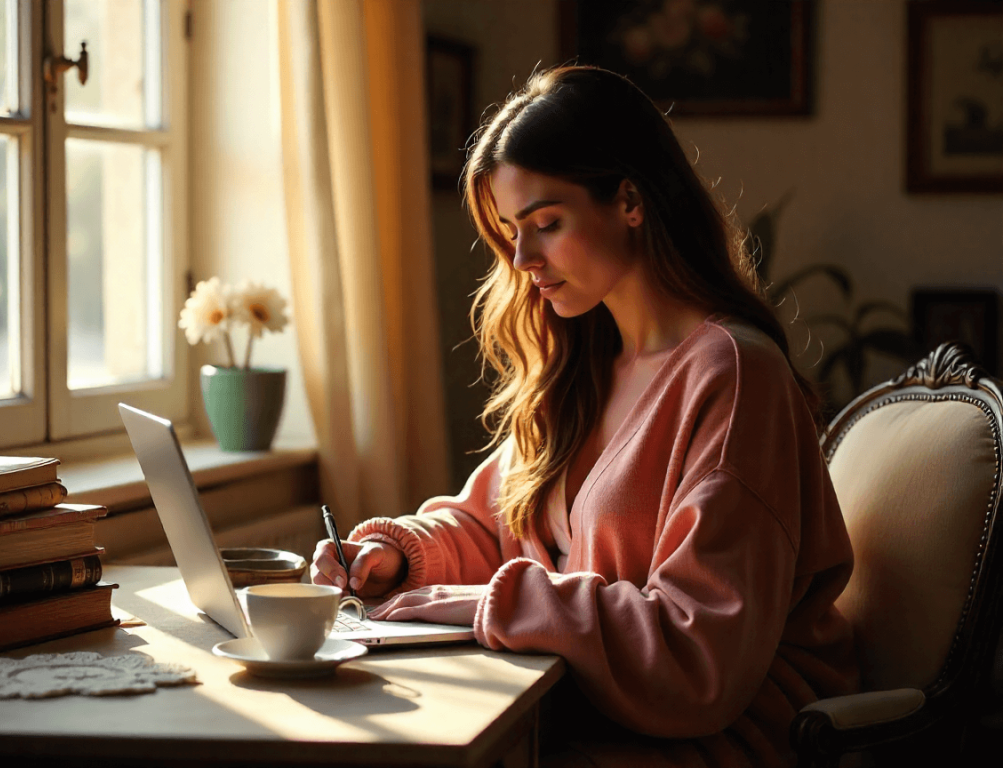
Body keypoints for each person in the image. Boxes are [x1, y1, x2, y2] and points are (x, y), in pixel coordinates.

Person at [312, 65, 857, 767]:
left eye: (546, 224)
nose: (521, 258)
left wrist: (491, 605)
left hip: (720, 737)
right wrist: (399, 556)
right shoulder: (586, 362)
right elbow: (498, 523)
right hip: (578, 703)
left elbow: (699, 659)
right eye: (511, 230)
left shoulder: (735, 376)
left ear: (629, 200)